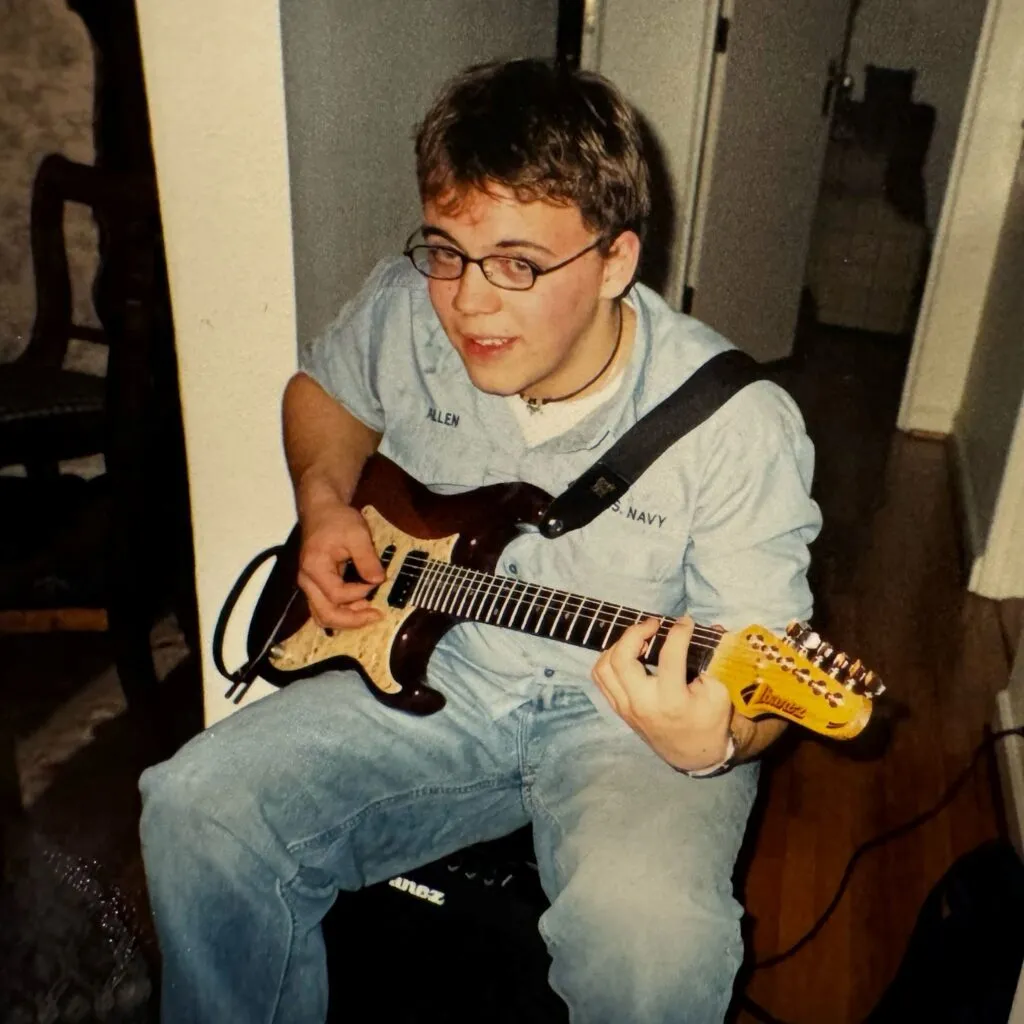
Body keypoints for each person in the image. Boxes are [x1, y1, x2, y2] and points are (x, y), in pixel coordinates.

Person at [139, 58, 821, 1023]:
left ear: (617, 260)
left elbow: (767, 662)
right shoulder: (407, 307)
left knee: (654, 940)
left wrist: (720, 739)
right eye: (449, 251)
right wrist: (326, 499)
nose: (467, 302)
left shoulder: (741, 424)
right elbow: (323, 394)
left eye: (519, 264)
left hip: (626, 727)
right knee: (195, 803)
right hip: (441, 679)